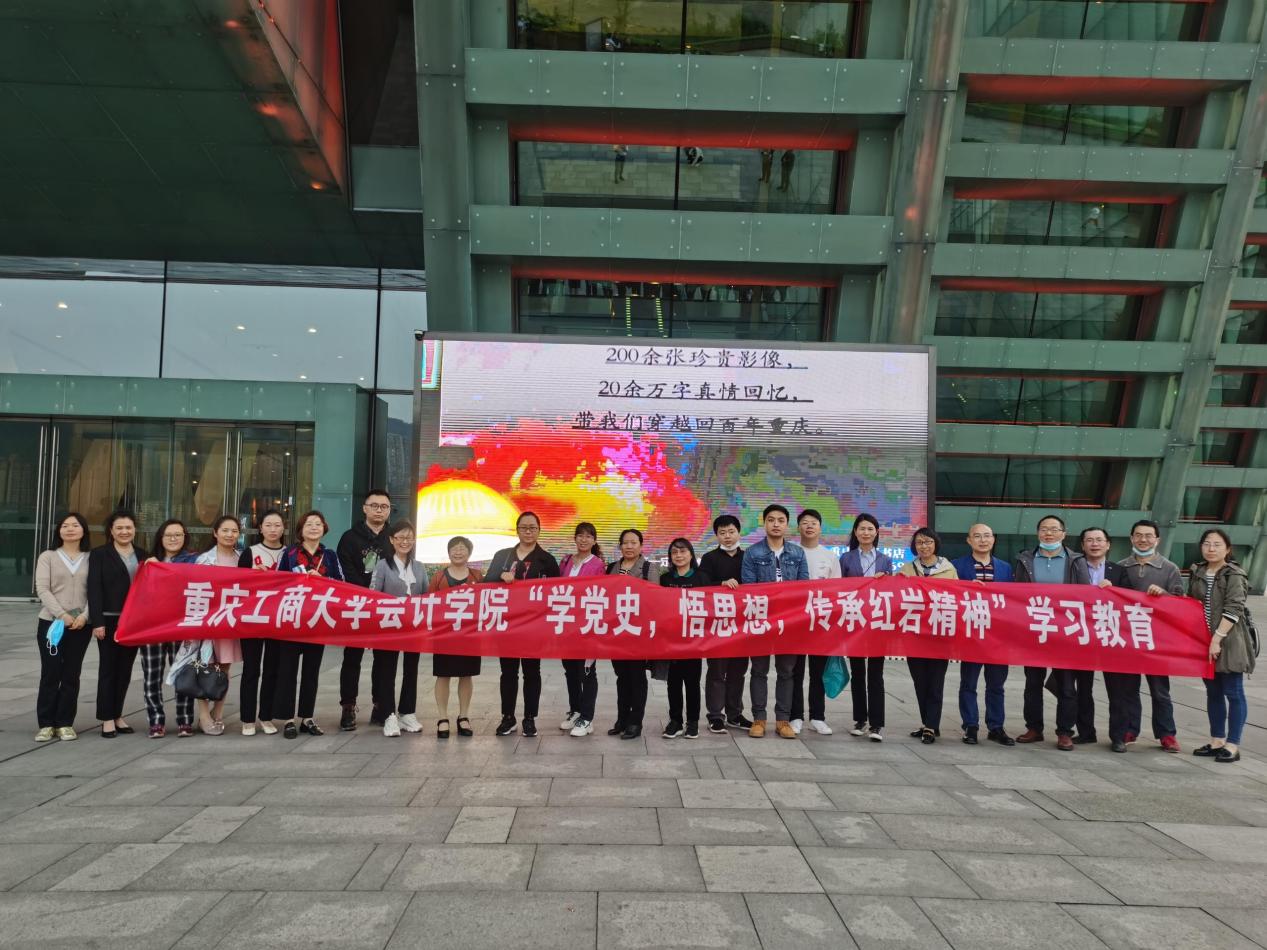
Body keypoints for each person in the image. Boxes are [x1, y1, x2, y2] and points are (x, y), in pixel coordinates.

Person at [1013, 514, 1090, 751]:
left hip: (1065, 631)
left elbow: (1086, 595)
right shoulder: (1025, 560)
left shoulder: (1076, 561)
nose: (1049, 533)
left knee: (1066, 685)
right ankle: (1034, 728)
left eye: (1054, 529)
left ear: (1063, 534)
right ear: (1038, 533)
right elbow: (1016, 594)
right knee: (1032, 683)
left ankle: (1065, 732)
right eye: (1044, 529)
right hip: (1034, 629)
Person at [1113, 519, 1186, 753]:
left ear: (1157, 539)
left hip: (1157, 640)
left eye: (1148, 535)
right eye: (1138, 535)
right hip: (1128, 637)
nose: (1143, 539)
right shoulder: (1120, 567)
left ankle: (1167, 734)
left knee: (1160, 690)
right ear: (1131, 538)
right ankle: (1130, 729)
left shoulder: (1170, 568)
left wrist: (1164, 595)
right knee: (1128, 688)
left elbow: (1180, 604)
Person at [487, 511, 560, 737]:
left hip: (533, 626)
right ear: (517, 530)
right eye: (524, 528)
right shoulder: (502, 556)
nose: (528, 532)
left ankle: (530, 718)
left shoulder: (547, 560)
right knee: (508, 672)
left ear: (539, 531)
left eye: (532, 528)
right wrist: (500, 576)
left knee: (532, 672)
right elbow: (485, 583)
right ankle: (508, 717)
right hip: (506, 624)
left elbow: (557, 592)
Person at [741, 504, 809, 739]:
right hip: (761, 620)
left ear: (787, 524)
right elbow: (749, 588)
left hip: (789, 622)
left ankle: (783, 720)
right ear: (764, 523)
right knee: (759, 670)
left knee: (786, 671)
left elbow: (804, 587)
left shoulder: (798, 553)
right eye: (771, 520)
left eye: (781, 520)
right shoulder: (752, 553)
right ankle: (759, 719)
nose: (776, 524)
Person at [275, 510, 344, 738]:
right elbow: (276, 583)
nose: (314, 527)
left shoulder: (330, 555)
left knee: (311, 672)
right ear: (301, 530)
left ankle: (307, 717)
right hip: (292, 619)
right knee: (287, 671)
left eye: (318, 524)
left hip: (317, 620)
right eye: (309, 524)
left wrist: (322, 580)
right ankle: (287, 719)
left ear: (324, 528)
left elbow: (342, 584)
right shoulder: (289, 554)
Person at [1190, 529, 1253, 764]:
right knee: (1213, 692)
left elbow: (1234, 608)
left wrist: (1217, 639)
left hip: (1229, 641)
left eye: (1217, 544)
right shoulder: (1198, 571)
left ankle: (1232, 745)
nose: (1211, 548)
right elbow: (1191, 604)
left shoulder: (1234, 574)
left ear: (1227, 549)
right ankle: (1217, 740)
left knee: (1233, 692)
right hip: (1204, 642)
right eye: (1207, 544)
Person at [335, 488, 395, 731]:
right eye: (375, 506)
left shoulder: (394, 537)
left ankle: (380, 706)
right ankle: (348, 707)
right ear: (365, 508)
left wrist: (381, 596)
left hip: (385, 607)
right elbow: (345, 570)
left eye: (384, 507)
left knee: (384, 660)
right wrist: (366, 594)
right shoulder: (350, 537)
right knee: (352, 658)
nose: (379, 510)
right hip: (356, 606)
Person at [951, 523, 1015, 746]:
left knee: (996, 684)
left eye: (987, 536)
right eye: (977, 536)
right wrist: (966, 588)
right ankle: (970, 725)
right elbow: (948, 594)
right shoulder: (957, 566)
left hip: (998, 635)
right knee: (969, 682)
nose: (983, 540)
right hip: (971, 632)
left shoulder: (1005, 568)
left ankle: (996, 727)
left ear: (993, 539)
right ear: (969, 540)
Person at [88, 509, 148, 738]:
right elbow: (94, 589)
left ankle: (117, 715)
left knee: (124, 671)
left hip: (134, 621)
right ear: (111, 531)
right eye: (119, 528)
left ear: (135, 530)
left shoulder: (143, 555)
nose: (124, 531)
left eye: (128, 527)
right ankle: (106, 718)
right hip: (109, 619)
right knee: (108, 670)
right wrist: (97, 621)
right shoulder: (100, 554)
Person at [33, 513, 92, 742]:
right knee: (51, 672)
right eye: (65, 525)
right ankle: (46, 724)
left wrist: (85, 616)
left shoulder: (91, 558)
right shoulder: (48, 556)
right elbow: (43, 589)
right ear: (59, 531)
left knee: (71, 674)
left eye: (75, 525)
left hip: (81, 625)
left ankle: (65, 723)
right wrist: (62, 615)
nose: (70, 529)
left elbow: (97, 591)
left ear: (83, 530)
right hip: (52, 623)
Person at [369, 520, 427, 738]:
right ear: (392, 540)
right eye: (400, 537)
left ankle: (407, 712)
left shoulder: (419, 567)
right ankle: (388, 715)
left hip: (413, 627)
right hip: (388, 626)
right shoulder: (382, 565)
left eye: (409, 538)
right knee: (387, 670)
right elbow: (373, 595)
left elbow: (425, 596)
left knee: (411, 669)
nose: (405, 542)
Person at [900, 527, 957, 744]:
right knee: (920, 681)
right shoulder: (907, 569)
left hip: (939, 634)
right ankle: (928, 723)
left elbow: (959, 597)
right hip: (914, 634)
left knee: (935, 681)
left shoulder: (949, 569)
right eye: (920, 542)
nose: (924, 546)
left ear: (936, 544)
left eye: (928, 542)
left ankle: (932, 725)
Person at [142, 519, 197, 738]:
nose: (173, 539)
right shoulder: (149, 562)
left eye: (178, 535)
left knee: (183, 674)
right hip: (152, 627)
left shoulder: (193, 561)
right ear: (160, 538)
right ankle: (156, 721)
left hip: (181, 626)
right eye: (168, 535)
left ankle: (185, 720)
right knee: (151, 676)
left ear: (185, 537)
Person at [839, 513, 892, 741]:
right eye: (862, 529)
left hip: (878, 623)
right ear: (855, 532)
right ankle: (860, 720)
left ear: (876, 532)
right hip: (855, 622)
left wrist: (885, 579)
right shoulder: (846, 559)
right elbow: (839, 589)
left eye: (870, 529)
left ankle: (877, 724)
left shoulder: (885, 560)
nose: (866, 533)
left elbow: (892, 592)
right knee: (858, 673)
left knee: (876, 675)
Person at [192, 516, 246, 734]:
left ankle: (219, 711)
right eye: (225, 530)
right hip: (208, 622)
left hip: (231, 622)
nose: (230, 535)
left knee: (224, 667)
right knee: (204, 666)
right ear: (215, 533)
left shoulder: (242, 559)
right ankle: (204, 714)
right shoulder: (204, 560)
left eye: (234, 531)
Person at [606, 527, 662, 739]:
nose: (629, 546)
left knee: (637, 677)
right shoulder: (611, 567)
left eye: (633, 542)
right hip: (616, 632)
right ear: (620, 546)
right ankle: (621, 719)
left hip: (638, 632)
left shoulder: (649, 568)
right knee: (621, 677)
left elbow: (654, 599)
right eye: (625, 543)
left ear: (641, 546)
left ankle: (635, 722)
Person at [1079, 527, 1130, 752]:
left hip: (1111, 635)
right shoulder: (1075, 567)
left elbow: (1130, 600)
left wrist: (1114, 590)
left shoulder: (1119, 571)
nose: (1094, 544)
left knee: (1117, 689)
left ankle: (1118, 736)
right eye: (1089, 540)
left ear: (1108, 545)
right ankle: (1085, 732)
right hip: (1081, 634)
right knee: (1083, 687)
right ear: (1083, 545)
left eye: (1099, 540)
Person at [699, 515, 750, 734]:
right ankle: (715, 715)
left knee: (738, 671)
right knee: (717, 671)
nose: (727, 536)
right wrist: (721, 584)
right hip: (718, 624)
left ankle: (735, 714)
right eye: (722, 533)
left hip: (743, 624)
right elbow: (702, 584)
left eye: (731, 531)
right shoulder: (709, 558)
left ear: (739, 532)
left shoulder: (748, 557)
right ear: (716, 535)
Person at [236, 510, 286, 736]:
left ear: (283, 528)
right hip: (252, 619)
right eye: (268, 525)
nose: (273, 529)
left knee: (272, 670)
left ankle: (266, 716)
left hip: (278, 620)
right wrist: (251, 574)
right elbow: (237, 585)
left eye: (277, 525)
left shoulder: (289, 554)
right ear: (260, 528)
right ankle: (247, 718)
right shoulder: (250, 552)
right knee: (251, 669)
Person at [429, 536, 483, 738]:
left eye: (462, 548)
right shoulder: (438, 577)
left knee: (466, 675)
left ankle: (463, 716)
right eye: (454, 548)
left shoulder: (478, 576)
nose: (458, 552)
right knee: (443, 675)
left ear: (469, 553)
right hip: (444, 635)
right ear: (448, 552)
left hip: (469, 635)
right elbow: (430, 604)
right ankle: (442, 718)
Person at [793, 508, 840, 736]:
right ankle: (795, 716)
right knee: (795, 672)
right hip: (795, 621)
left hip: (821, 621)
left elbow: (837, 590)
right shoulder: (791, 553)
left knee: (818, 672)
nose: (809, 526)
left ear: (820, 528)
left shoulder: (830, 556)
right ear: (798, 527)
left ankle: (817, 717)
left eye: (813, 522)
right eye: (804, 522)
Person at [558, 522, 606, 737]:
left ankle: (587, 718)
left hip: (587, 625)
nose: (583, 539)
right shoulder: (566, 560)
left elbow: (600, 593)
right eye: (580, 535)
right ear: (575, 538)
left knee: (586, 671)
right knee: (570, 670)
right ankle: (575, 710)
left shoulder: (598, 564)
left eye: (588, 536)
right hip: (566, 624)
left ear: (594, 540)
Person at [660, 537, 710, 740]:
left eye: (683, 551)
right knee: (673, 682)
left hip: (693, 641)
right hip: (671, 640)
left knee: (692, 682)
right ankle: (675, 721)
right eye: (674, 552)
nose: (678, 555)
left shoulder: (701, 577)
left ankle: (693, 722)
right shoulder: (665, 579)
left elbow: (712, 602)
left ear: (691, 554)